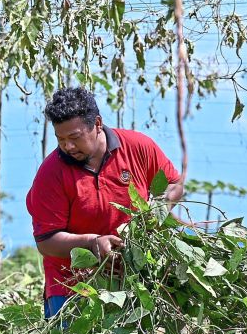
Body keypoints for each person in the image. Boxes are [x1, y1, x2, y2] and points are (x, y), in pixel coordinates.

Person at [26, 87, 185, 321]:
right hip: (71, 288)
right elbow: (46, 241)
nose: (68, 146)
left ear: (97, 124)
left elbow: (174, 184)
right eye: (61, 139)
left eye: (75, 137)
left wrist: (156, 210)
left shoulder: (137, 146)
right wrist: (92, 243)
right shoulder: (50, 174)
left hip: (131, 284)